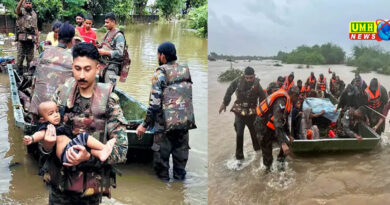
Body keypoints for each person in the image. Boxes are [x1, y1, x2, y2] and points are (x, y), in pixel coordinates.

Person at [39, 42, 128, 204]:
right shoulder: (62, 94)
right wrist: (46, 146)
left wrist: (88, 157)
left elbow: (121, 150)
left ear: (98, 68)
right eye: (77, 68)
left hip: (89, 193)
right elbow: (44, 138)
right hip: (59, 189)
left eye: (87, 69)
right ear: (72, 66)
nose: (81, 75)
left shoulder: (109, 101)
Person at [136, 42, 196, 181]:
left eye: (158, 54)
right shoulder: (184, 69)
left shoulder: (160, 72)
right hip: (184, 122)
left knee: (161, 168)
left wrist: (144, 125)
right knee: (180, 167)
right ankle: (178, 192)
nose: (158, 57)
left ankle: (164, 191)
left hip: (164, 125)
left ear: (162, 56)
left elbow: (155, 104)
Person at [23, 101, 116, 163]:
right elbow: (40, 134)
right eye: (51, 114)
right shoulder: (48, 126)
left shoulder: (60, 123)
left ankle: (100, 154)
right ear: (42, 119)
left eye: (57, 111)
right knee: (84, 137)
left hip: (70, 151)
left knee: (85, 146)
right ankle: (104, 148)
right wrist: (31, 138)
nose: (56, 115)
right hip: (65, 154)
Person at [29, 22, 75, 120]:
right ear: (72, 40)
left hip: (37, 109)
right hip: (57, 115)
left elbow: (32, 69)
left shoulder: (45, 52)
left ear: (58, 36)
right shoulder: (73, 58)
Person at [218, 66, 266, 160]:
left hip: (252, 113)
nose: (249, 80)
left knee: (255, 135)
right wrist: (224, 103)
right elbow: (229, 90)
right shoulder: (238, 81)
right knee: (239, 134)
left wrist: (262, 114)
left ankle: (258, 154)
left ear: (254, 76)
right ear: (244, 76)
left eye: (251, 78)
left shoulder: (257, 84)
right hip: (239, 112)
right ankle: (239, 158)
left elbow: (262, 98)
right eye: (247, 77)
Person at [255, 86, 299, 171]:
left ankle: (280, 162)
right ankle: (267, 173)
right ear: (293, 95)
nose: (297, 100)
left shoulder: (287, 101)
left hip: (271, 126)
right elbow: (277, 121)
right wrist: (282, 143)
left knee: (287, 141)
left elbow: (284, 121)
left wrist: (288, 135)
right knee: (268, 157)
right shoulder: (281, 101)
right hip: (262, 127)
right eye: (297, 97)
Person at [98, 12, 127, 84]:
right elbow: (105, 45)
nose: (105, 24)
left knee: (109, 86)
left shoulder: (119, 36)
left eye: (107, 22)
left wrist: (104, 52)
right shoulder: (107, 33)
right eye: (105, 22)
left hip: (112, 66)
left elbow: (120, 53)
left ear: (113, 22)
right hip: (103, 64)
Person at [15, 0, 39, 75]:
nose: (28, 5)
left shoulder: (34, 14)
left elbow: (36, 28)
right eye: (27, 3)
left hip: (31, 40)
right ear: (24, 5)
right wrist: (21, 1)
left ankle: (29, 77)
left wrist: (37, 41)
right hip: (21, 40)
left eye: (29, 3)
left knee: (30, 60)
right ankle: (19, 75)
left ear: (31, 5)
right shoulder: (21, 12)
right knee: (19, 60)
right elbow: (17, 9)